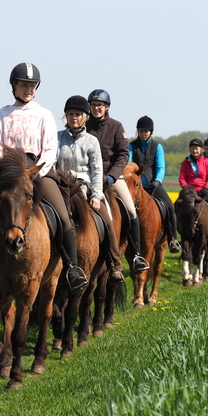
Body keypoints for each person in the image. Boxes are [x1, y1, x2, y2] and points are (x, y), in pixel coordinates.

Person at [0, 63, 89, 295]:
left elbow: (50, 149)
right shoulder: (1, 114)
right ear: (14, 86)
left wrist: (35, 173)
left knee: (63, 217)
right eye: (24, 85)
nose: (28, 89)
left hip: (37, 173)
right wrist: (3, 174)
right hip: (5, 176)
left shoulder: (44, 114)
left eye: (32, 85)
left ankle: (72, 268)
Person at [56, 95, 124, 285]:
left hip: (85, 188)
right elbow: (53, 164)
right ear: (66, 117)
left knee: (106, 219)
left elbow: (97, 171)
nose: (74, 118)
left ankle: (115, 266)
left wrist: (95, 195)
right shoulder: (57, 137)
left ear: (84, 117)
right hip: (63, 188)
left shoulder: (91, 141)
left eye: (78, 114)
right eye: (70, 114)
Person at [86, 89, 149, 279]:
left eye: (100, 105)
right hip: (87, 177)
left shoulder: (116, 126)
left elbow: (123, 155)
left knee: (130, 210)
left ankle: (137, 256)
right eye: (94, 105)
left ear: (107, 107)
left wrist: (113, 176)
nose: (97, 108)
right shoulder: (84, 125)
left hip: (111, 177)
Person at [128, 115, 181, 253]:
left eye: (146, 131)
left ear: (151, 132)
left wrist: (157, 180)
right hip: (136, 185)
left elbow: (161, 167)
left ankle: (173, 239)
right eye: (141, 131)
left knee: (169, 206)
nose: (143, 134)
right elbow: (127, 162)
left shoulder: (157, 146)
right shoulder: (131, 146)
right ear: (138, 132)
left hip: (153, 185)